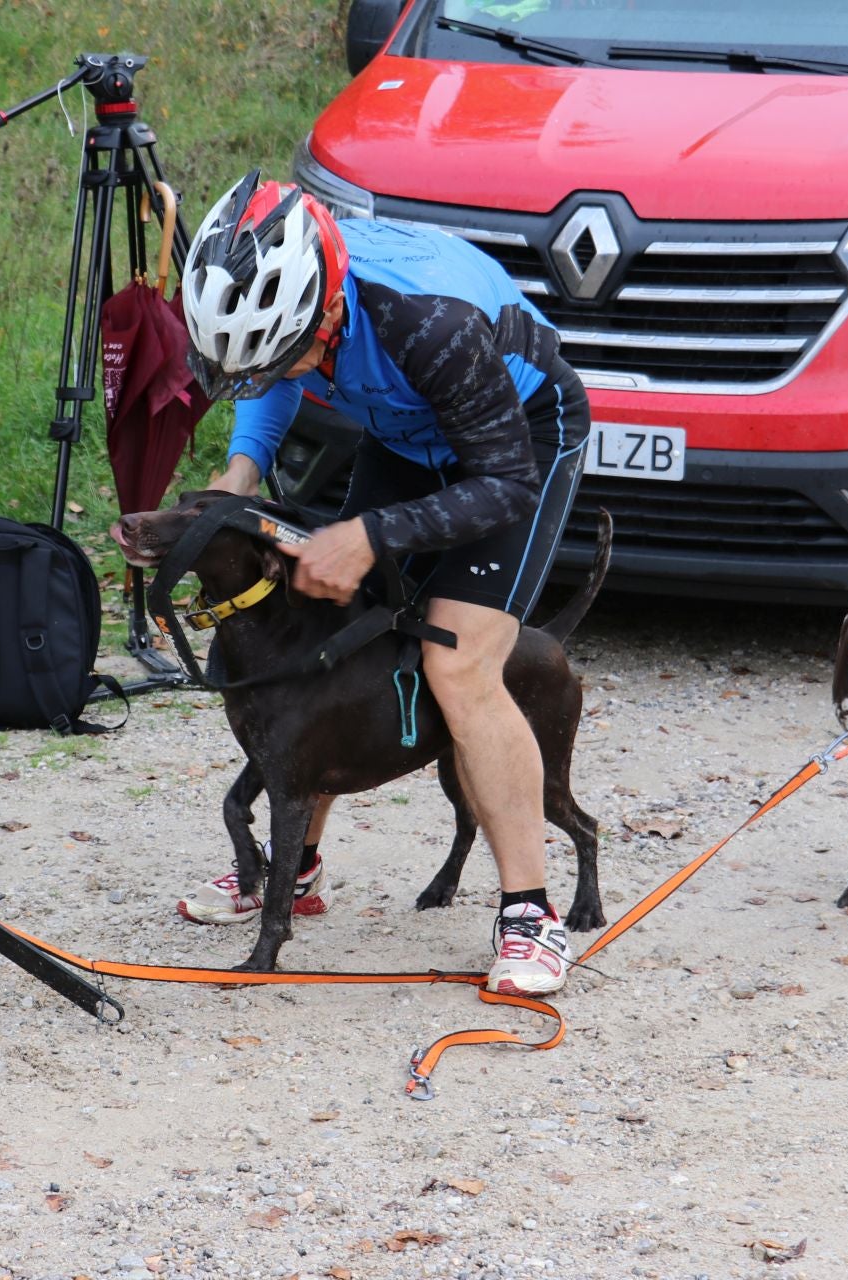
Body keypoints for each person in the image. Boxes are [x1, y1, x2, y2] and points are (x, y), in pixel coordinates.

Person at [166, 169, 591, 995]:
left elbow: (502, 482)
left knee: (461, 663)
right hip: (411, 433)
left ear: (325, 311)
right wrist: (242, 472)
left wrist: (368, 534)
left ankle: (530, 915)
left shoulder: (428, 323)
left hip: (519, 443)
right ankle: (299, 866)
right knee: (324, 627)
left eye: (287, 355)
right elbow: (265, 380)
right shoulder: (287, 307)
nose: (274, 373)